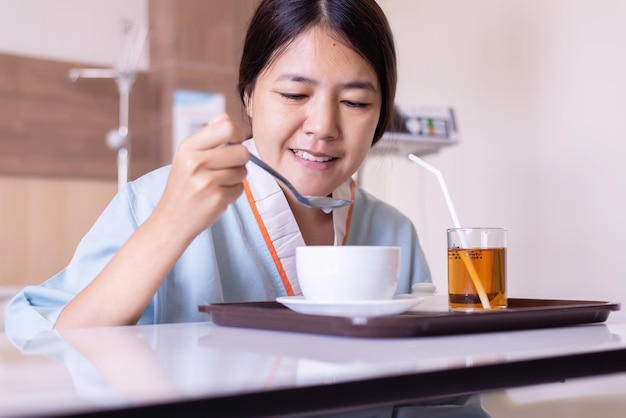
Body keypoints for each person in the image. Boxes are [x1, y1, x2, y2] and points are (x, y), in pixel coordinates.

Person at [4, 1, 492, 415]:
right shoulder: (152, 203)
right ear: (249, 96)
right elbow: (54, 352)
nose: (322, 125)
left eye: (356, 103)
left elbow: (438, 400)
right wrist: (170, 225)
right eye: (294, 94)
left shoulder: (393, 230)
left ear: (381, 116)